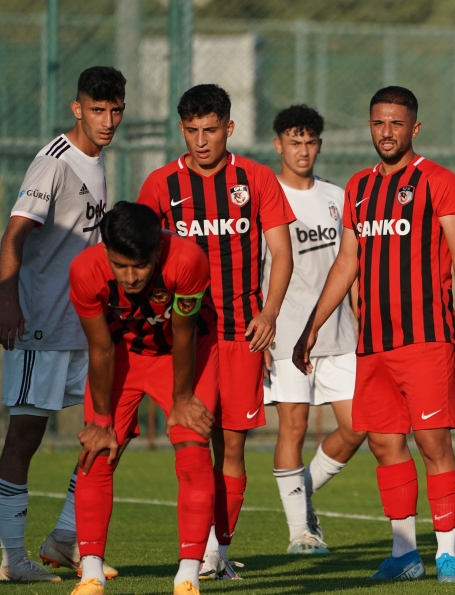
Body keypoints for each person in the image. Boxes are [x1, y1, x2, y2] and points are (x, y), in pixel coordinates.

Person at [294, 86, 455, 583]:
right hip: (373, 343)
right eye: (378, 123)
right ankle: (405, 554)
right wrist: (312, 326)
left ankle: (447, 556)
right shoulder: (357, 187)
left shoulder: (439, 182)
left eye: (396, 123)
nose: (387, 132)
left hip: (426, 338)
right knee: (383, 444)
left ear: (414, 128)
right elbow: (348, 261)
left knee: (433, 443)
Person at [137, 84, 295, 579]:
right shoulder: (161, 184)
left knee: (232, 442)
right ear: (181, 129)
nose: (201, 141)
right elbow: (141, 256)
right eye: (191, 131)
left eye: (210, 130)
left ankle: (218, 550)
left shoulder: (257, 177)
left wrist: (269, 313)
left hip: (242, 332)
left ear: (229, 127)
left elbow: (281, 252)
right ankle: (200, 546)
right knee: (192, 437)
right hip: (189, 335)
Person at [0, 66, 125, 582]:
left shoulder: (97, 161)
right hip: (43, 325)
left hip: (85, 323)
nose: (108, 120)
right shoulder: (53, 163)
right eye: (97, 110)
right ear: (78, 109)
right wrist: (7, 303)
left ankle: (67, 537)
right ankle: (10, 558)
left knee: (109, 427)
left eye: (115, 110)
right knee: (25, 436)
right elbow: (13, 238)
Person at [66, 203, 218, 595]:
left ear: (157, 252)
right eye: (120, 266)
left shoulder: (187, 260)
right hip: (121, 355)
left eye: (140, 266)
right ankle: (91, 574)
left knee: (193, 448)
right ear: (104, 252)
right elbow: (99, 349)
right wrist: (101, 420)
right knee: (97, 452)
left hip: (181, 355)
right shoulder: (84, 270)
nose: (130, 277)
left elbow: (184, 333)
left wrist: (182, 398)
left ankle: (188, 575)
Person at [264, 105, 365, 555]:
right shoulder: (266, 196)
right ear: (278, 144)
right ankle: (299, 533)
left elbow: (353, 263)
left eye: (310, 142)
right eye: (294, 141)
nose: (302, 150)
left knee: (358, 424)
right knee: (293, 427)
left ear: (319, 145)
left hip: (338, 331)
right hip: (286, 334)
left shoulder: (338, 197)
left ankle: (301, 491)